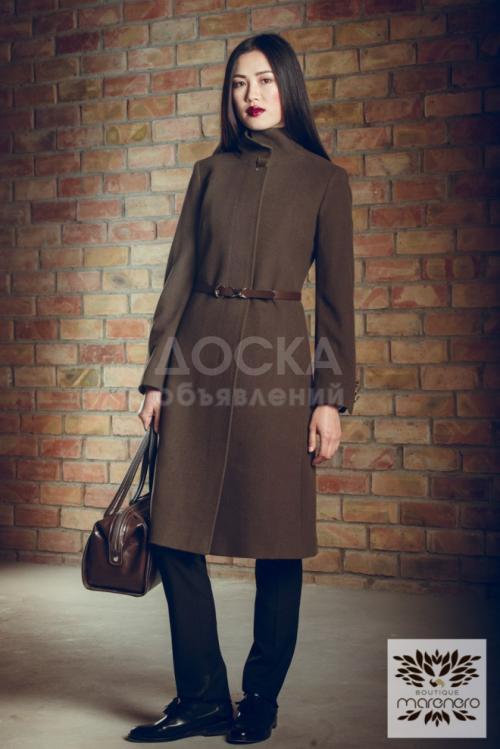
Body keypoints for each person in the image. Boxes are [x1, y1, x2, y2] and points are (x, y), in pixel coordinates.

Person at [126, 32, 356, 745]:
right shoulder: (208, 173)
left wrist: (329, 397)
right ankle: (201, 696)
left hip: (278, 366)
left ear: (288, 86)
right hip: (197, 358)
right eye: (238, 83)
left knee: (277, 541)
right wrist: (156, 376)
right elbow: (178, 277)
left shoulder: (324, 180)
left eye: (264, 80)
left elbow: (336, 304)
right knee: (173, 531)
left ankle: (259, 698)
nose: (250, 95)